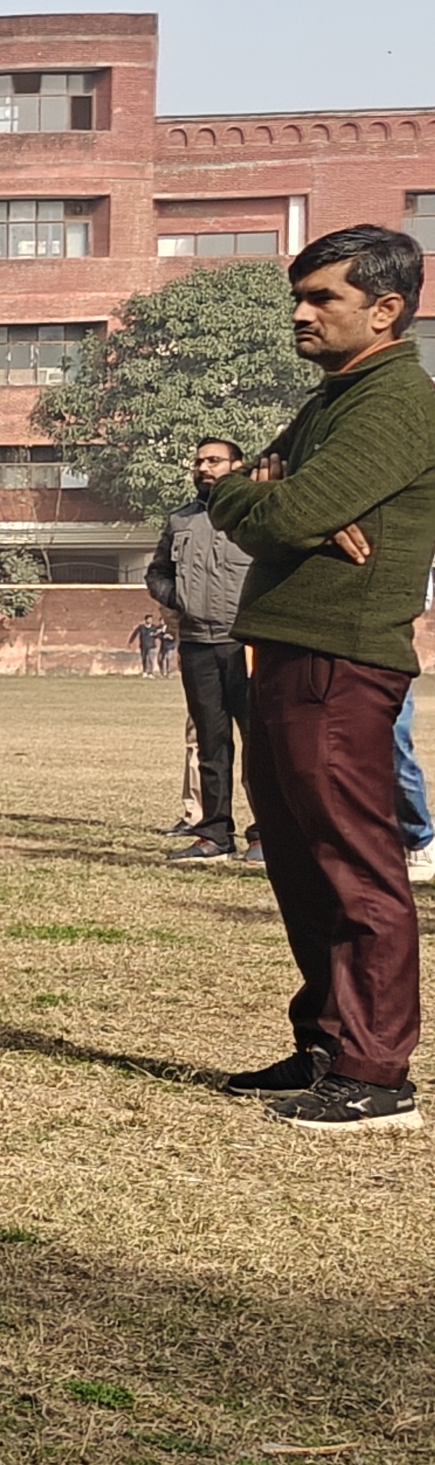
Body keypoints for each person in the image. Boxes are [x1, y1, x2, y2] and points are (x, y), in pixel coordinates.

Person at [200, 224, 435, 1130]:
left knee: (354, 865)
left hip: (342, 656)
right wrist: (267, 495)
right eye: (298, 296)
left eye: (322, 298)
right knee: (300, 861)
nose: (300, 313)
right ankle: (328, 1045)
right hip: (292, 649)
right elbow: (239, 496)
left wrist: (281, 499)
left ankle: (377, 1074)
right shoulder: (334, 396)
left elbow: (283, 508)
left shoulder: (396, 402)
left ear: (385, 308)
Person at [145, 436, 251, 866]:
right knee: (211, 742)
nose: (204, 467)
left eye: (215, 460)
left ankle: (265, 837)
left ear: (238, 466)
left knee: (260, 744)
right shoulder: (181, 520)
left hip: (247, 644)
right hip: (196, 645)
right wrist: (180, 598)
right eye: (199, 461)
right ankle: (214, 834)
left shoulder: (255, 516)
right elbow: (157, 572)